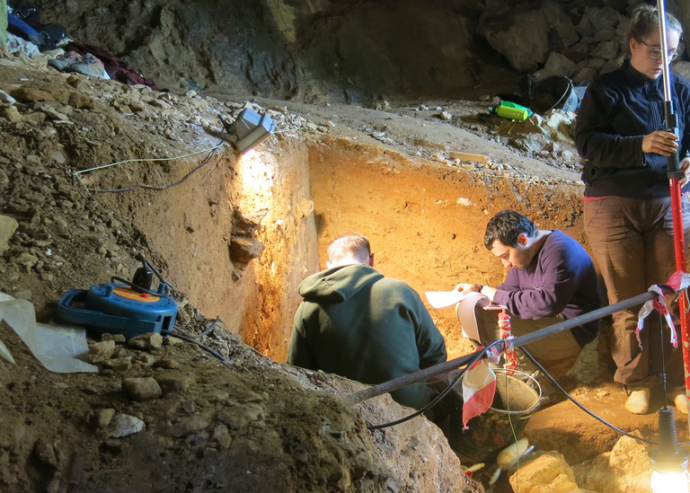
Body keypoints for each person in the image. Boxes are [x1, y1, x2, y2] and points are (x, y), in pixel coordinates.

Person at [575, 4, 690, 414]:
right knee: (628, 300)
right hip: (613, 203)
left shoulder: (679, 89)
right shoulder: (606, 89)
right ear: (633, 44)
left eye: (672, 52)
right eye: (656, 51)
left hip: (666, 203)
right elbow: (587, 144)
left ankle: (677, 380)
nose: (664, 61)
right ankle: (637, 381)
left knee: (672, 295)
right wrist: (639, 145)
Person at [287, 233, 447, 411]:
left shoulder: (308, 308)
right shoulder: (400, 291)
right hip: (409, 410)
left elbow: (297, 371)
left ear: (329, 266)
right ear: (371, 260)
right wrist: (429, 397)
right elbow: (435, 352)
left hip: (347, 414)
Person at [455, 210, 600, 367]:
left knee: (489, 321)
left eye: (505, 256)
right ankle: (498, 372)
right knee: (470, 308)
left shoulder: (560, 251)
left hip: (571, 330)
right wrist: (478, 290)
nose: (506, 264)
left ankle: (526, 381)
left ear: (522, 239)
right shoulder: (524, 255)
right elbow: (506, 292)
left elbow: (547, 304)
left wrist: (492, 293)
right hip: (546, 322)